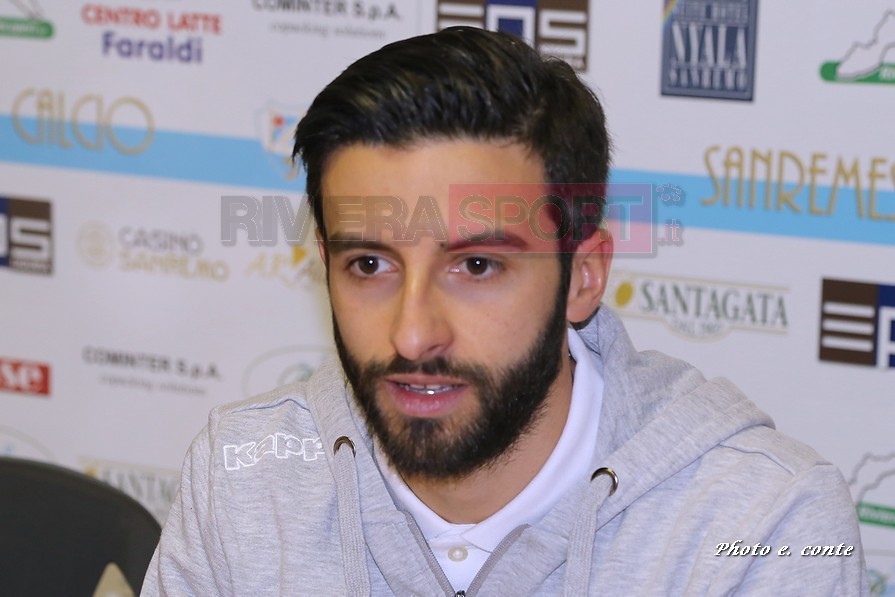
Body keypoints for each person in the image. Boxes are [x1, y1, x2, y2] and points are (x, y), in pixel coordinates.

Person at [142, 27, 868, 596]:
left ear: (583, 275)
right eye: (369, 265)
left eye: (477, 266)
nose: (412, 334)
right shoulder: (242, 476)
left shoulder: (766, 522)